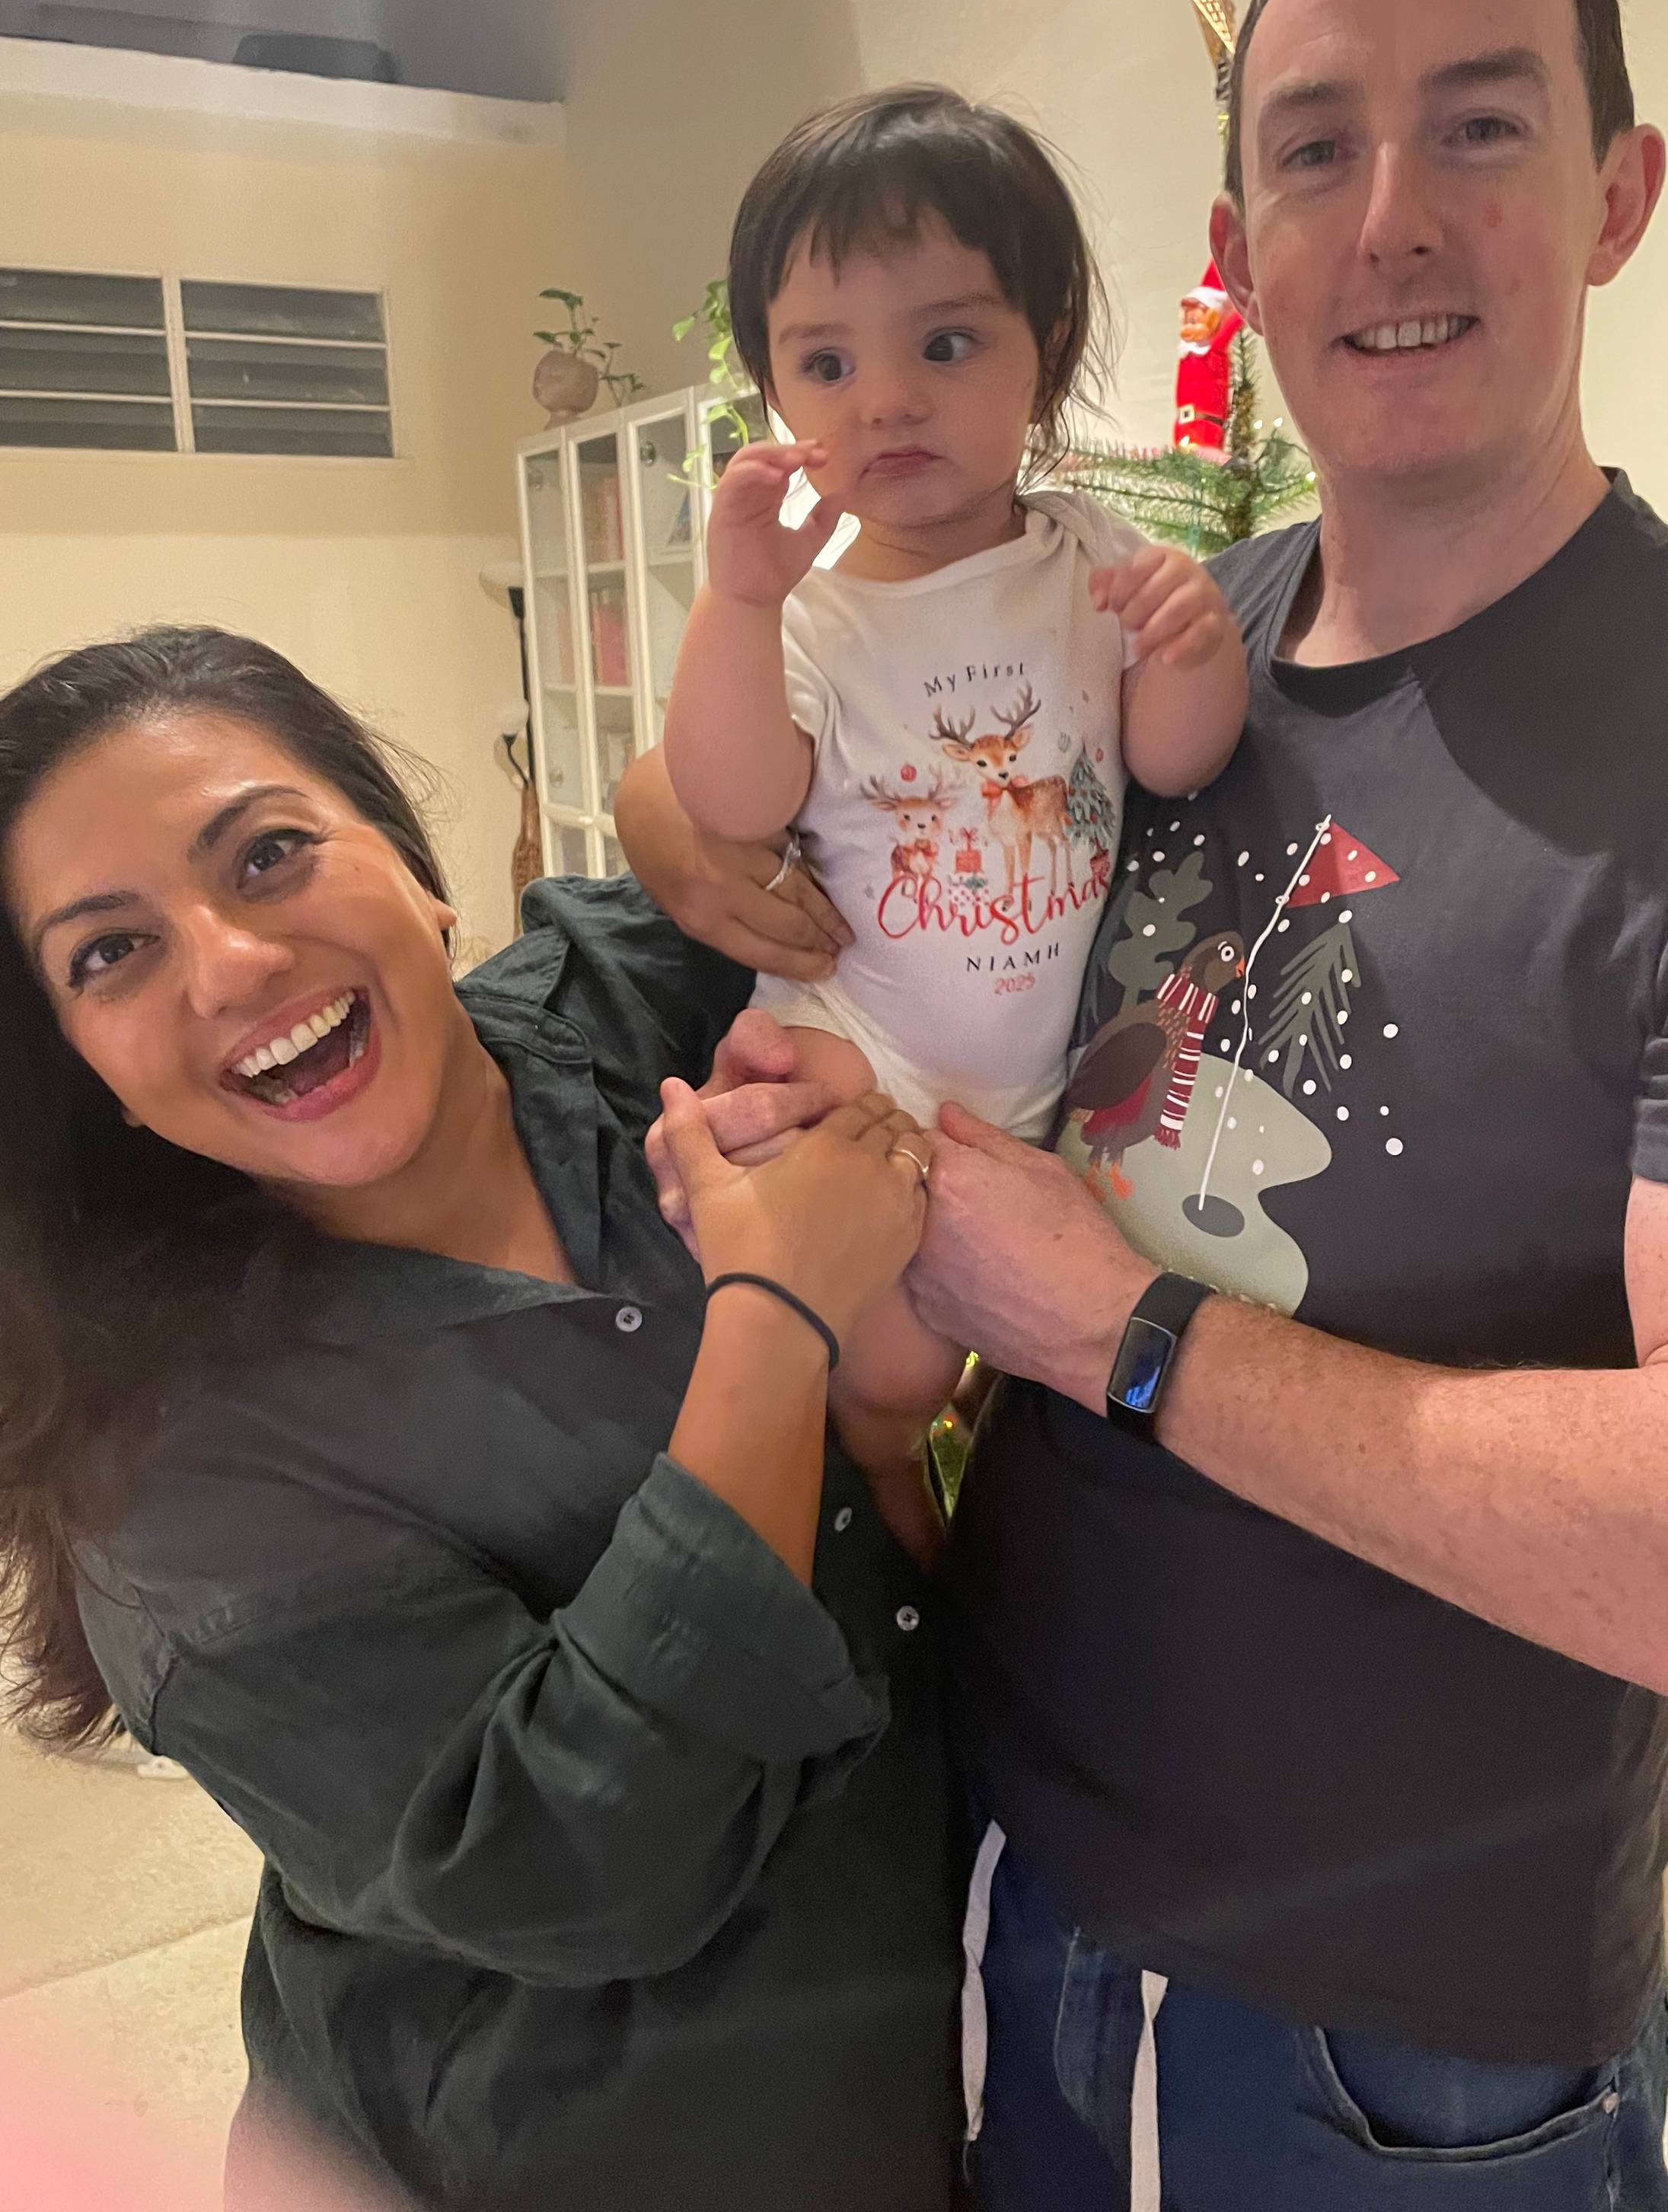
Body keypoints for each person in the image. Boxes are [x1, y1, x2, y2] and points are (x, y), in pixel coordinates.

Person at [617, 0, 1668, 2212]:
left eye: (1481, 125)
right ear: (1238, 242)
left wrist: (1118, 1328)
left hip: (1393, 2040)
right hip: (1009, 1860)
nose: (1388, 219)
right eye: (1313, 147)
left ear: (1618, 193)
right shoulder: (1163, 630)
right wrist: (683, 821)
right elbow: (862, 788)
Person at [0, 625, 964, 2212]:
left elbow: (876, 805)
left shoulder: (616, 1002)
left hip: (953, 2056)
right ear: (84, 1066)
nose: (229, 964)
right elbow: (590, 1861)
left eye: (268, 853)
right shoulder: (170, 1488)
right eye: (109, 953)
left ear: (412, 865)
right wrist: (776, 1319)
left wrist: (670, 802)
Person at [660, 85, 1246, 1409]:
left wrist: (1196, 648)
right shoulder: (806, 610)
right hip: (859, 1044)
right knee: (891, 1367)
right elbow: (732, 799)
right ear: (773, 388)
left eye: (945, 343)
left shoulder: (1092, 556)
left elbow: (1174, 761)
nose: (887, 400)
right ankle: (885, 1474)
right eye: (827, 366)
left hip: (1049, 1077)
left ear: (1045, 348)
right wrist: (737, 605)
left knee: (1022, 1335)